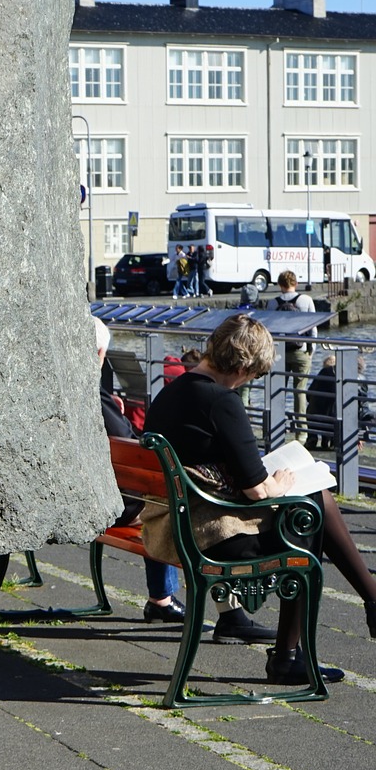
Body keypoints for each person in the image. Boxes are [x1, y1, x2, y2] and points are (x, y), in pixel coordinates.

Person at [142, 314, 376, 682]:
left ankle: (368, 602)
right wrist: (278, 484)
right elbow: (256, 489)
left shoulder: (172, 392)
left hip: (176, 524)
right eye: (256, 374)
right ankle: (288, 657)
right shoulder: (220, 400)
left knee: (312, 503)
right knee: (310, 509)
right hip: (213, 536)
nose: (250, 381)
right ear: (245, 366)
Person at [94, 318, 184, 622]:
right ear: (98, 354)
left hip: (66, 492)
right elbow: (128, 441)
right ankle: (162, 599)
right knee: (163, 502)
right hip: (109, 505)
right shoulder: (92, 391)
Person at [274, 270, 316, 433]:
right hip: (301, 350)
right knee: (300, 390)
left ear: (279, 285)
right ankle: (301, 431)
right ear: (296, 284)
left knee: (277, 390)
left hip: (279, 352)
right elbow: (313, 328)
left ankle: (276, 427)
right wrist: (311, 350)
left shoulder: (273, 303)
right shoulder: (305, 300)